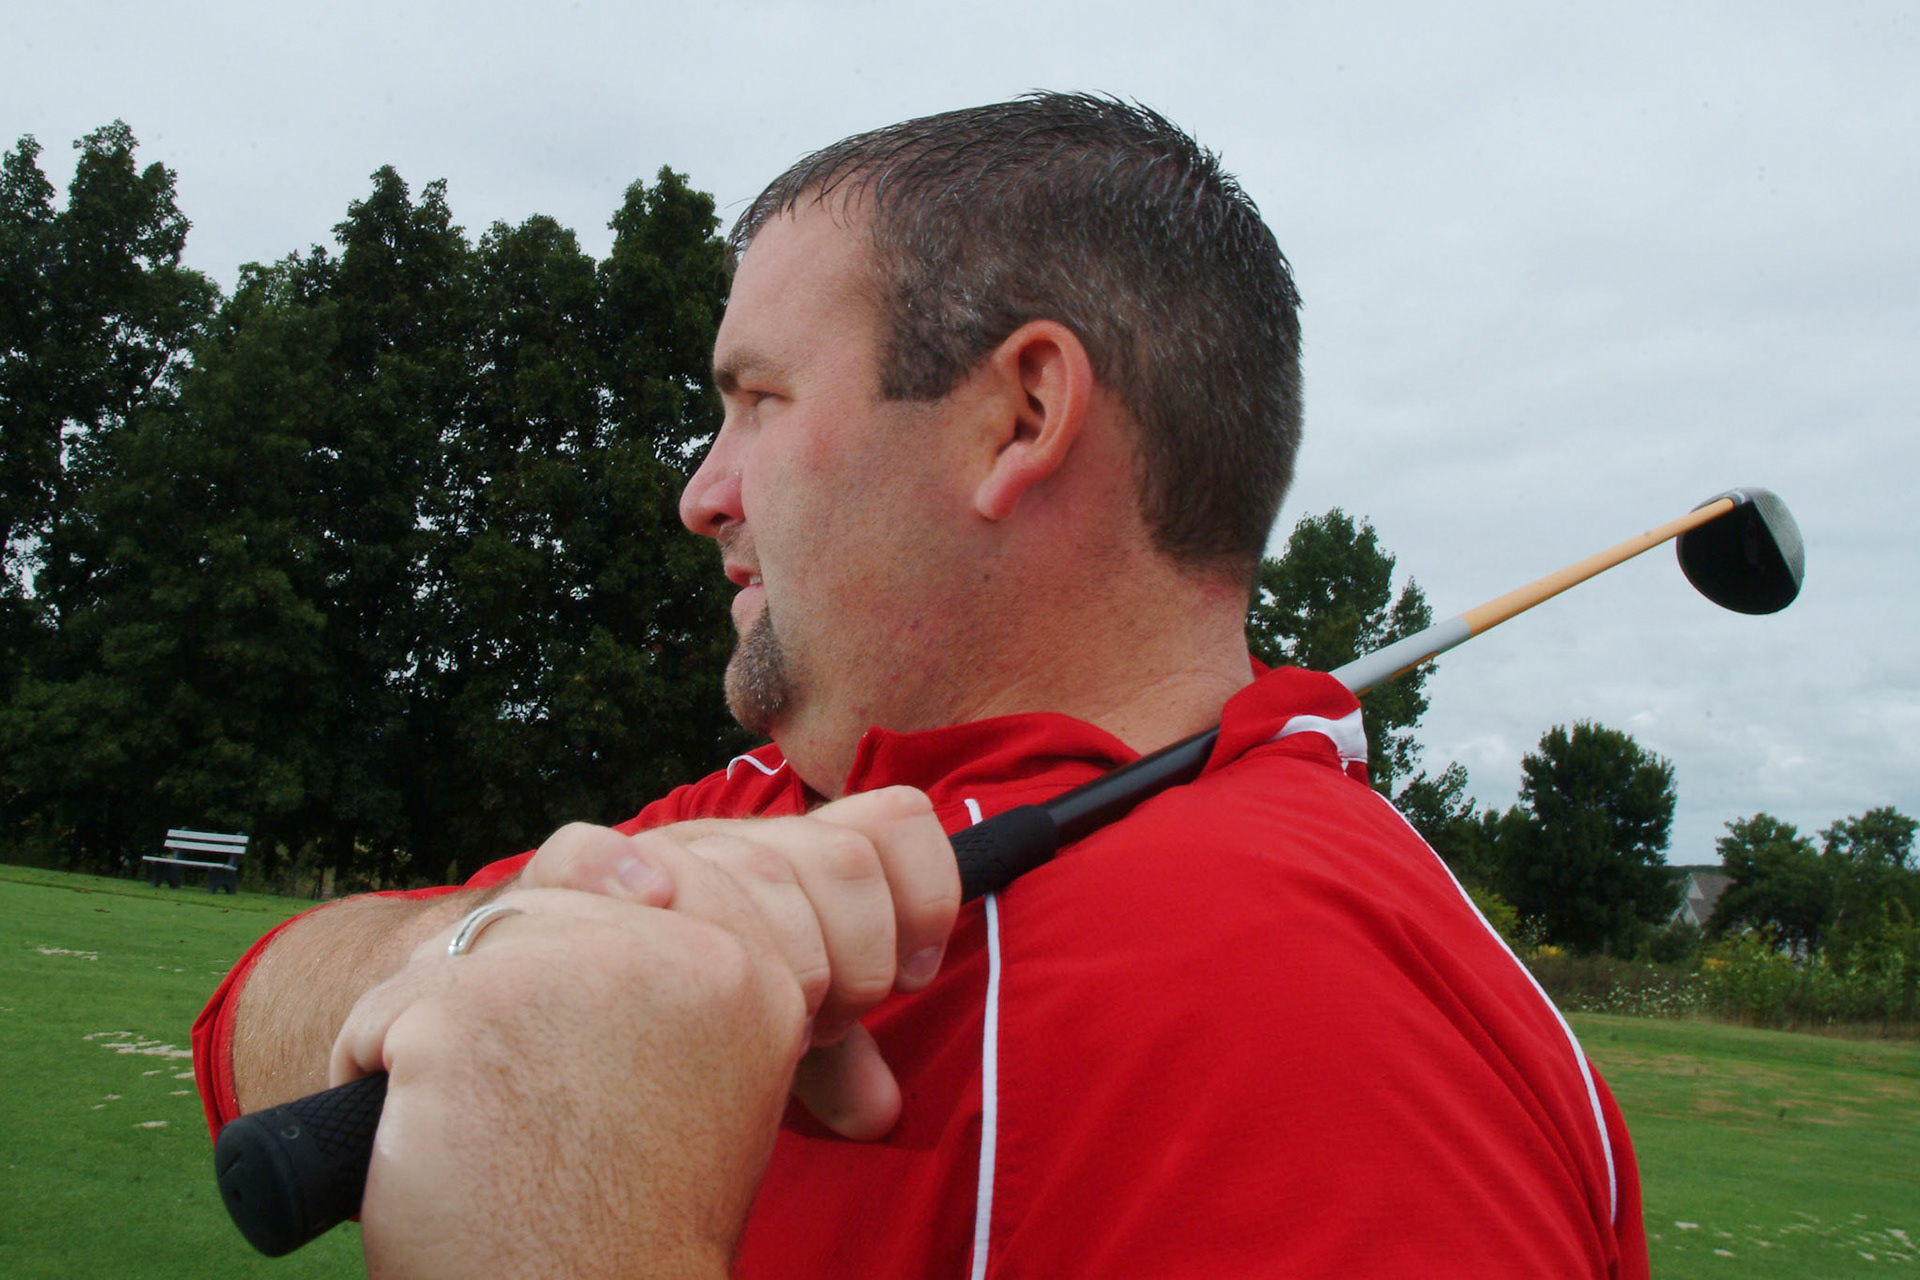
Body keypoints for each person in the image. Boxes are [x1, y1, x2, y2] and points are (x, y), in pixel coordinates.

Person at [194, 94, 1650, 1278]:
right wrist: (500, 954)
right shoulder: (772, 817)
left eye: (758, 399)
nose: (703, 493)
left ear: (1021, 417)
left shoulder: (1303, 1033)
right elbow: (246, 1026)